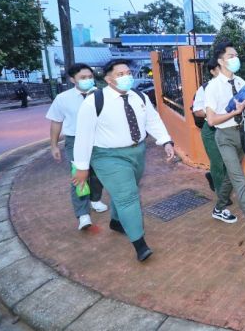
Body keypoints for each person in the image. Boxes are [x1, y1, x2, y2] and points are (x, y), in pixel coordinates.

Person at [72, 59, 175, 261]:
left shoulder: (139, 96)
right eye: (120, 74)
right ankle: (140, 244)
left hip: (137, 152)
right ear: (108, 79)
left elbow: (152, 121)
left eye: (128, 72)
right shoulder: (94, 101)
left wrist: (166, 141)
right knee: (128, 196)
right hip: (107, 157)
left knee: (126, 191)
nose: (127, 76)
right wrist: (82, 167)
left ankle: (117, 221)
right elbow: (83, 136)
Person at [204, 42, 245, 238]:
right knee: (240, 180)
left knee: (231, 174)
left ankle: (219, 208)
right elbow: (211, 120)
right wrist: (234, 112)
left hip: (242, 134)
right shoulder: (212, 87)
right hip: (225, 137)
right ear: (220, 61)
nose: (235, 58)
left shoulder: (239, 82)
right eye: (231, 56)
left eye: (236, 55)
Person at [46, 63, 109, 231]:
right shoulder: (63, 98)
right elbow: (56, 122)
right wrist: (54, 146)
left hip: (98, 140)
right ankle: (83, 213)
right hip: (75, 141)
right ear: (72, 79)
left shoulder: (101, 94)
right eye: (83, 78)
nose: (88, 80)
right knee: (79, 176)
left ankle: (95, 199)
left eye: (90, 77)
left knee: (97, 174)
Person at [192, 58, 232, 206]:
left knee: (230, 162)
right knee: (218, 161)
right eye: (219, 68)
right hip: (211, 130)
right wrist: (213, 112)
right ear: (212, 71)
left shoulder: (231, 85)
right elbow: (197, 111)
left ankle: (213, 177)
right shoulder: (205, 88)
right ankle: (223, 195)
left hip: (229, 128)